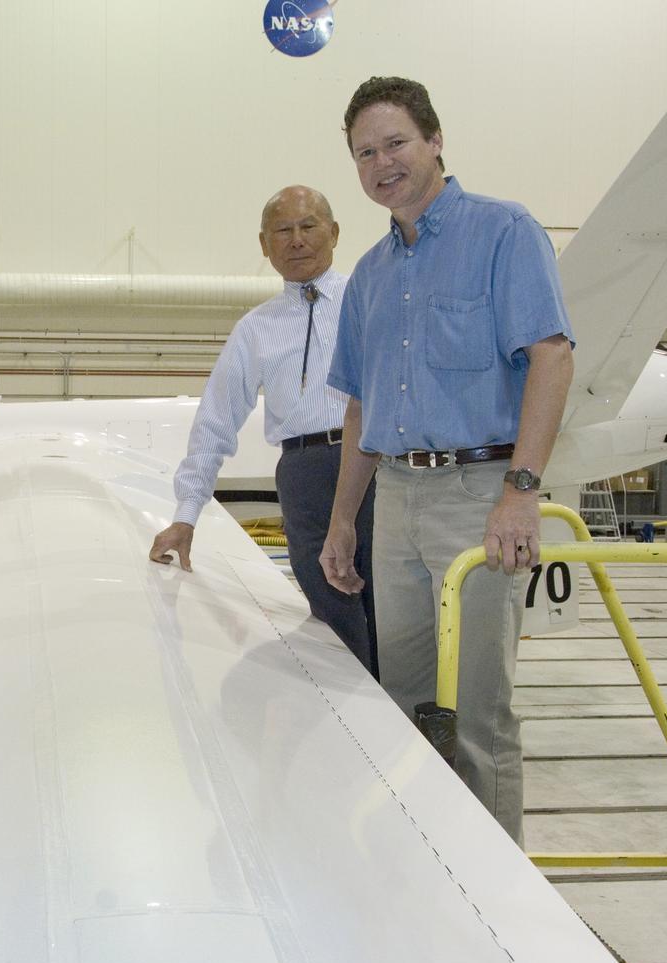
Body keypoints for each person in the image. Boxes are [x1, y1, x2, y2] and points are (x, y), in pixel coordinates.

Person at [319, 77, 575, 844]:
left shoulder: (504, 233)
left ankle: (501, 917)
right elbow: (362, 409)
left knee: (476, 715)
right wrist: (342, 521)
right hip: (396, 501)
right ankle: (421, 868)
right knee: (400, 702)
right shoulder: (369, 275)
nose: (381, 163)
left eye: (395, 142)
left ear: (434, 141)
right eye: (365, 152)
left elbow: (551, 358)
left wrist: (520, 492)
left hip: (478, 494)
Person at [149, 185, 377, 675]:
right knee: (332, 618)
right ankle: (355, 730)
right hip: (303, 478)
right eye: (282, 231)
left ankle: (409, 733)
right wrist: (186, 515)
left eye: (308, 226)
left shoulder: (369, 301)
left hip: (376, 467)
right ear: (264, 245)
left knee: (391, 613)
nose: (296, 240)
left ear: (334, 233)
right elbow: (215, 419)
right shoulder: (254, 329)